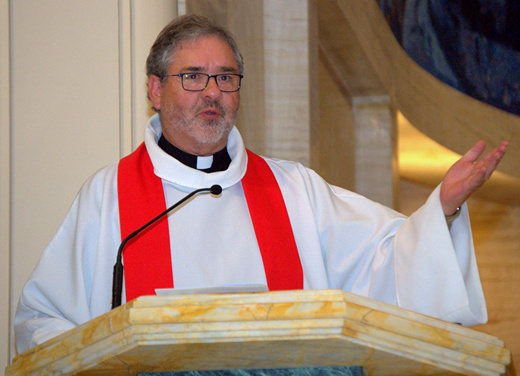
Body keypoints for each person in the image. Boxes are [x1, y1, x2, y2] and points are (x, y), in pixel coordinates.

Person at [14, 14, 508, 354]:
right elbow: (43, 319)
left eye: (226, 77)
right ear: (153, 88)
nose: (213, 92)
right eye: (193, 77)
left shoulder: (293, 192)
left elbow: (387, 262)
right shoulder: (109, 196)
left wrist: (439, 208)